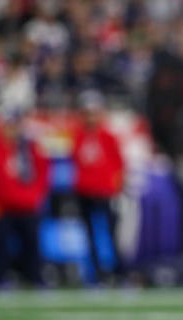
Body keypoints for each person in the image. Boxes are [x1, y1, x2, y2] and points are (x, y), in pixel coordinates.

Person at [0, 110, 49, 287]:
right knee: (0, 245)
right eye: (8, 125)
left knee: (32, 244)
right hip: (2, 205)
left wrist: (37, 194)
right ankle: (0, 279)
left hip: (26, 204)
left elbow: (43, 172)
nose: (11, 130)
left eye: (14, 125)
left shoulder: (29, 148)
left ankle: (35, 278)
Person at [71, 91, 124, 283]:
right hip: (85, 191)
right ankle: (96, 273)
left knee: (110, 233)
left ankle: (116, 271)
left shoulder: (107, 136)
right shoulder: (78, 135)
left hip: (104, 192)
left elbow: (118, 164)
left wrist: (115, 187)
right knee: (90, 234)